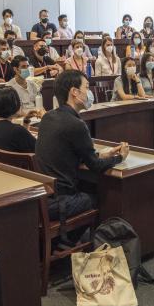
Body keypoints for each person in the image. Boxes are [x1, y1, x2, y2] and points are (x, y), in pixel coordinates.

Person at [35, 70, 128, 220]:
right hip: (61, 201)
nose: (89, 92)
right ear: (74, 92)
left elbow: (68, 153)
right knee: (105, 195)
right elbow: (95, 166)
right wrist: (120, 158)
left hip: (44, 196)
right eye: (87, 87)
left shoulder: (48, 117)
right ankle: (84, 239)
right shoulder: (76, 124)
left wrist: (102, 155)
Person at [0, 86, 37, 153]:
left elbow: (22, 139)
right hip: (20, 163)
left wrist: (26, 121)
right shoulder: (16, 130)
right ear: (14, 104)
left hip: (1, 162)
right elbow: (40, 149)